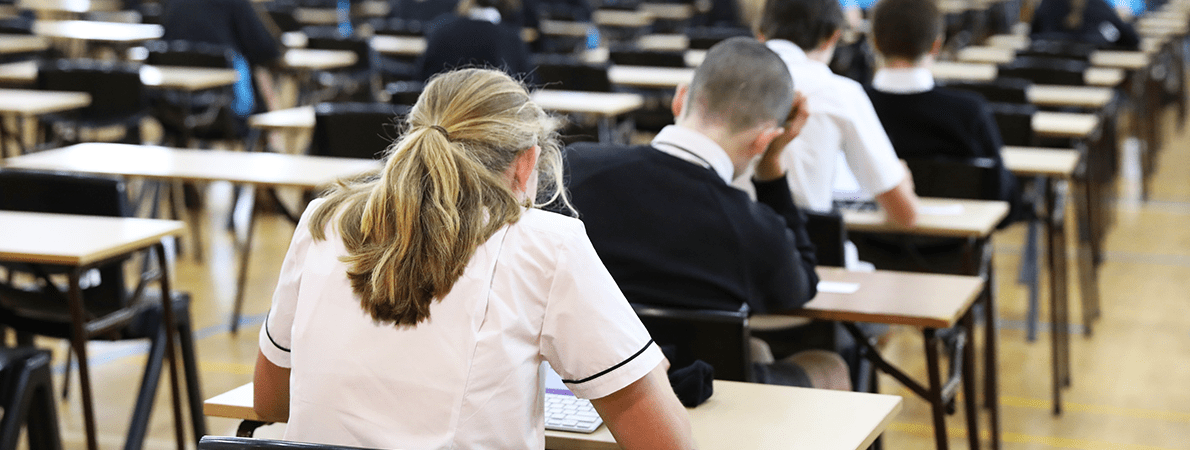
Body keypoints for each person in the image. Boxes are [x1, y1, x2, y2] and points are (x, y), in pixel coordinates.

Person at [253, 68, 694, 450]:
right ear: (528, 164)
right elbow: (663, 441)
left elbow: (270, 402)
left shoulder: (325, 219)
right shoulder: (545, 242)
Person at [560, 37, 850, 390]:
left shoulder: (574, 169)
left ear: (680, 98)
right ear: (764, 140)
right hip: (699, 392)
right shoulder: (752, 227)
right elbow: (800, 287)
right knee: (828, 365)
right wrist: (771, 168)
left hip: (582, 388)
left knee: (757, 349)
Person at [754, 0, 918, 228]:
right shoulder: (840, 93)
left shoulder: (717, 82)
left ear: (759, 33)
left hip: (725, 255)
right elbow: (905, 214)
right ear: (833, 36)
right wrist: (902, 178)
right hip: (807, 250)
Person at [865, 0, 1019, 208]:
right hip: (956, 237)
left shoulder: (853, 104)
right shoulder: (969, 113)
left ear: (873, 42)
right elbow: (1002, 194)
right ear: (936, 45)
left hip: (867, 236)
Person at [417, 0, 535, 82]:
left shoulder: (440, 30)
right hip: (493, 115)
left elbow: (422, 76)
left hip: (446, 113)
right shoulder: (511, 38)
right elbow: (528, 84)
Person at [1030, 0, 1140, 50]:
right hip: (1093, 87)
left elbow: (1032, 37)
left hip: (1047, 86)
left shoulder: (1046, 5)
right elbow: (1132, 40)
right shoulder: (1098, 6)